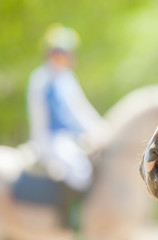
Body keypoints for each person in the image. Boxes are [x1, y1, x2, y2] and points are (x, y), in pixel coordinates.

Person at [26, 24, 109, 192]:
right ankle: (69, 216)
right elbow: (39, 118)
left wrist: (100, 129)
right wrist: (41, 147)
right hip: (53, 139)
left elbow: (81, 109)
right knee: (80, 173)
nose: (63, 57)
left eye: (66, 53)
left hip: (71, 137)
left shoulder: (68, 79)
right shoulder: (41, 80)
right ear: (50, 54)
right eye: (59, 53)